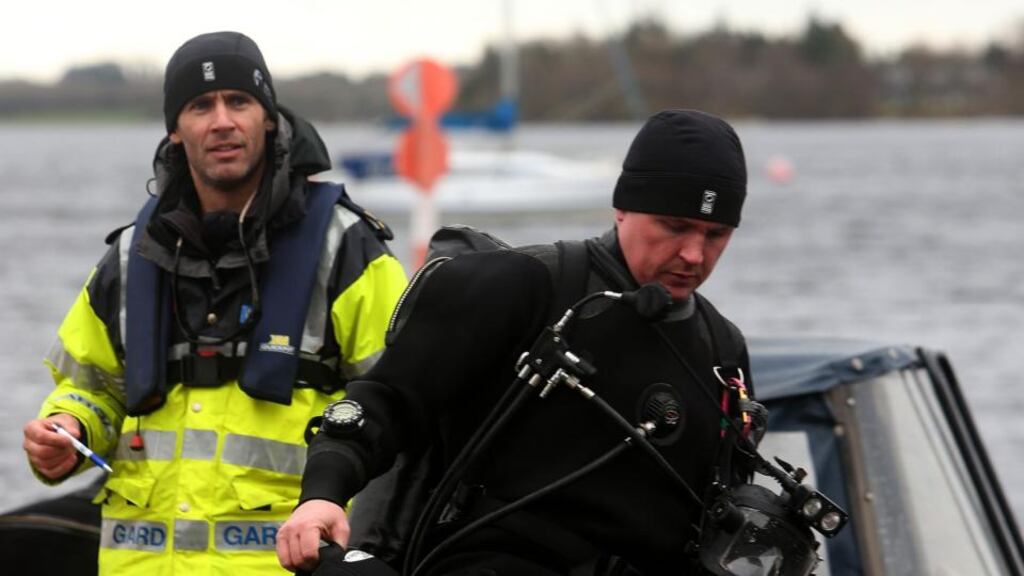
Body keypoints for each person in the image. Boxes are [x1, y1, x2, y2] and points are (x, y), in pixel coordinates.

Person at [277, 109, 758, 576]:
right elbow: (386, 400)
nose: (694, 254)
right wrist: (322, 495)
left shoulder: (722, 353)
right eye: (674, 227)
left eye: (716, 234)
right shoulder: (524, 288)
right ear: (623, 207)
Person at [22, 31, 407, 575]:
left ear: (269, 118)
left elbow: (398, 400)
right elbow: (91, 387)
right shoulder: (133, 255)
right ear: (175, 132)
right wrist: (68, 428)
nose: (221, 120)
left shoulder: (345, 247)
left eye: (239, 101)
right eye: (200, 105)